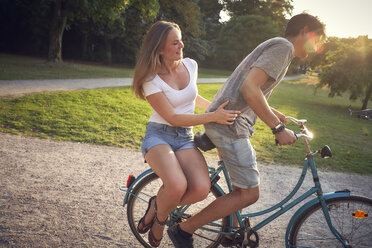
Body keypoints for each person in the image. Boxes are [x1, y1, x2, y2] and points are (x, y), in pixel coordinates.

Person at [167, 13, 326, 247]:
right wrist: (278, 128)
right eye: (317, 39)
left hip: (227, 122)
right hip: (230, 126)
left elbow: (251, 89)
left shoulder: (279, 47)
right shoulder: (283, 48)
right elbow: (249, 87)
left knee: (240, 189)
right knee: (249, 193)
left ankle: (230, 231)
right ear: (304, 31)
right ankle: (183, 230)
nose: (318, 46)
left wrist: (274, 112)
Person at [131, 21, 241, 247]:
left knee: (201, 189)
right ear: (160, 49)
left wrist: (216, 110)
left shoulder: (191, 65)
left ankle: (156, 203)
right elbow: (173, 117)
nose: (182, 44)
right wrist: (213, 117)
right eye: (174, 42)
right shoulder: (150, 79)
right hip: (159, 136)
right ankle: (160, 219)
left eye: (180, 39)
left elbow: (192, 98)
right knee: (178, 185)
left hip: (185, 138)